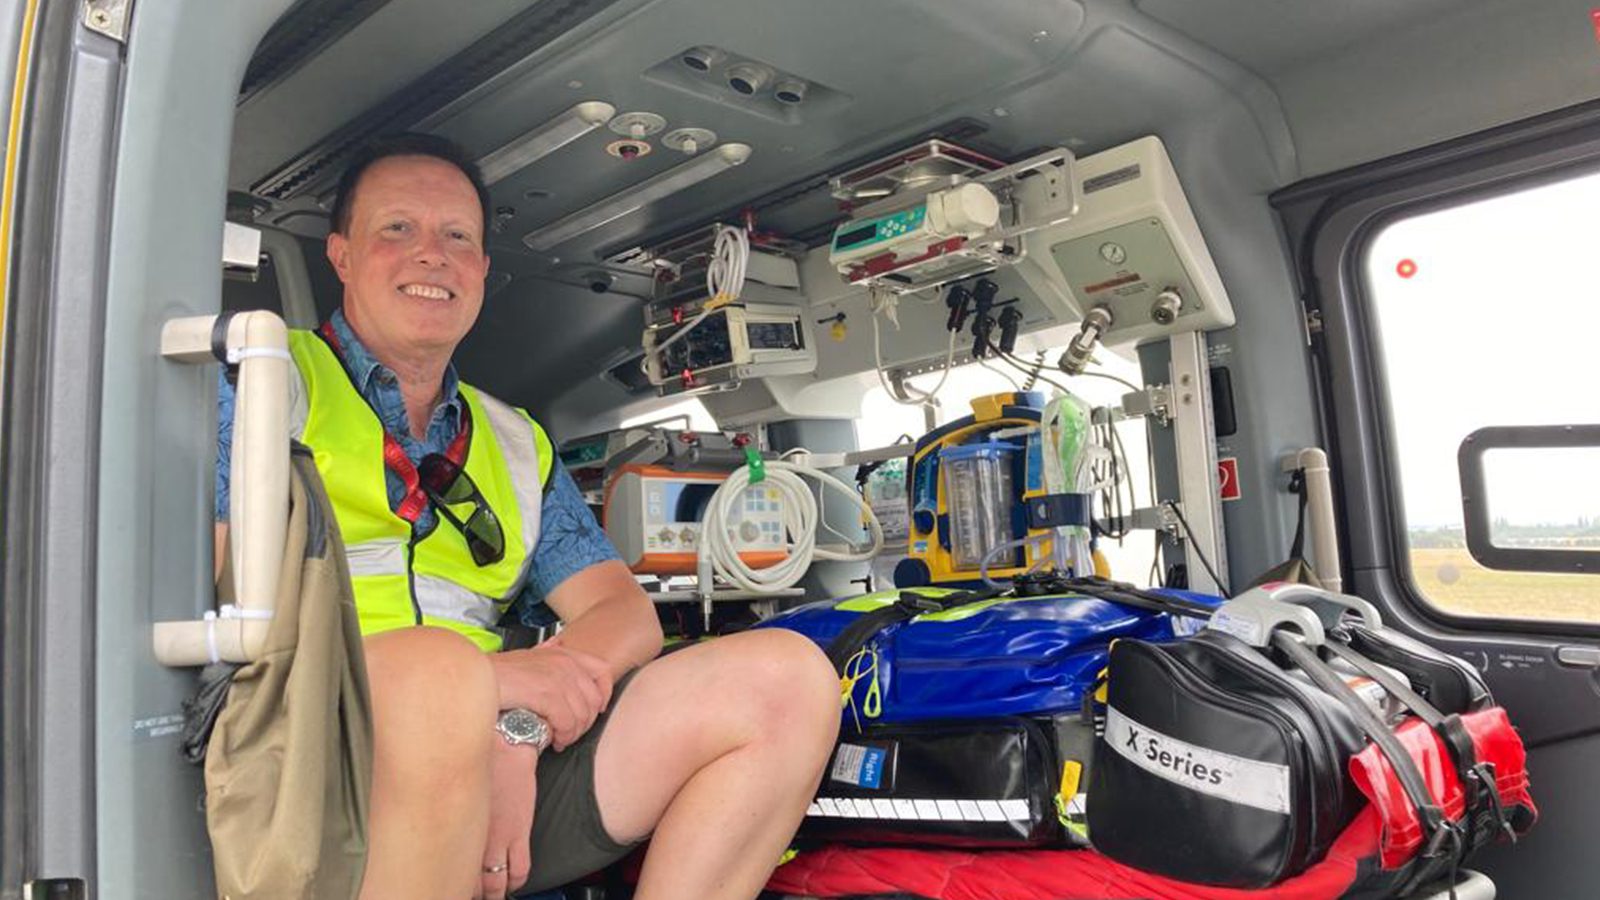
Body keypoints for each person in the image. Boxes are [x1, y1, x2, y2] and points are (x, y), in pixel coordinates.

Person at [215, 132, 840, 900]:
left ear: (482, 269)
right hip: (315, 757)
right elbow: (216, 604)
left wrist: (516, 728)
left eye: (457, 237)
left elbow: (621, 614)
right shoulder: (260, 386)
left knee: (787, 680)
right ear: (342, 256)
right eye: (397, 229)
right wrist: (483, 685)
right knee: (434, 672)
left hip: (499, 757)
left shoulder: (515, 440)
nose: (431, 254)